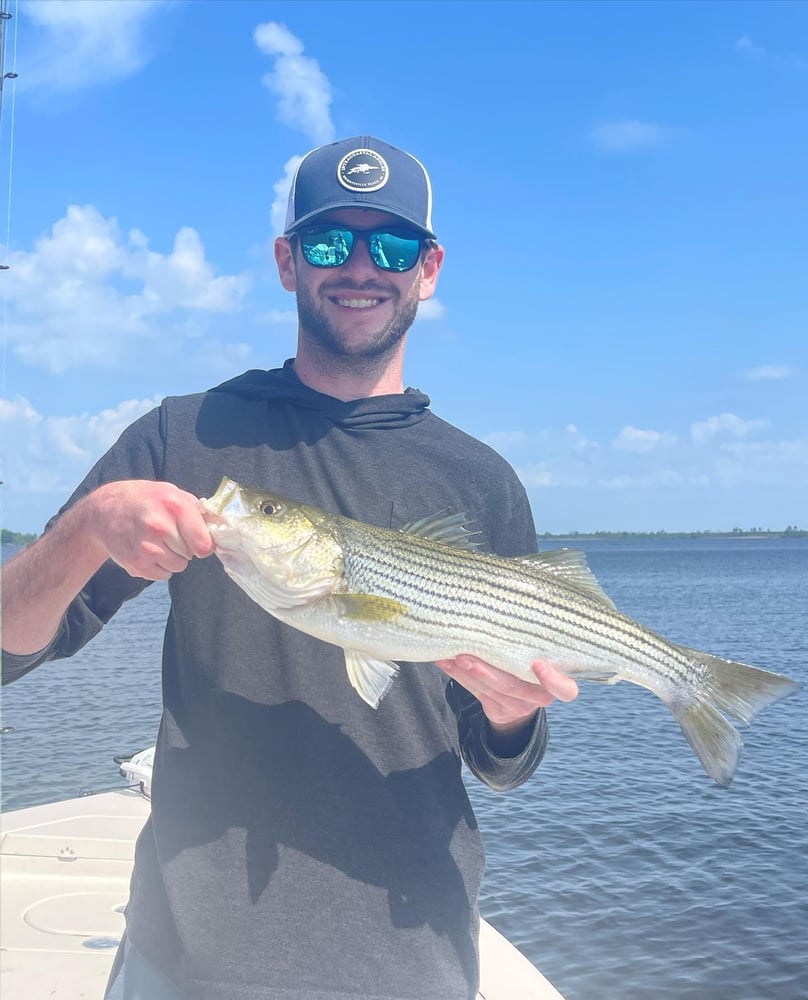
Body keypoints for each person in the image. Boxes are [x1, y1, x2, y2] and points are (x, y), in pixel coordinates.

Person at [1, 136, 578, 1000]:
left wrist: (508, 716)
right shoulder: (184, 438)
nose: (358, 267)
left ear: (428, 268)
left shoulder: (481, 482)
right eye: (325, 242)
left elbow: (500, 760)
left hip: (411, 953)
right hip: (186, 956)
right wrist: (88, 526)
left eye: (388, 246)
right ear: (285, 262)